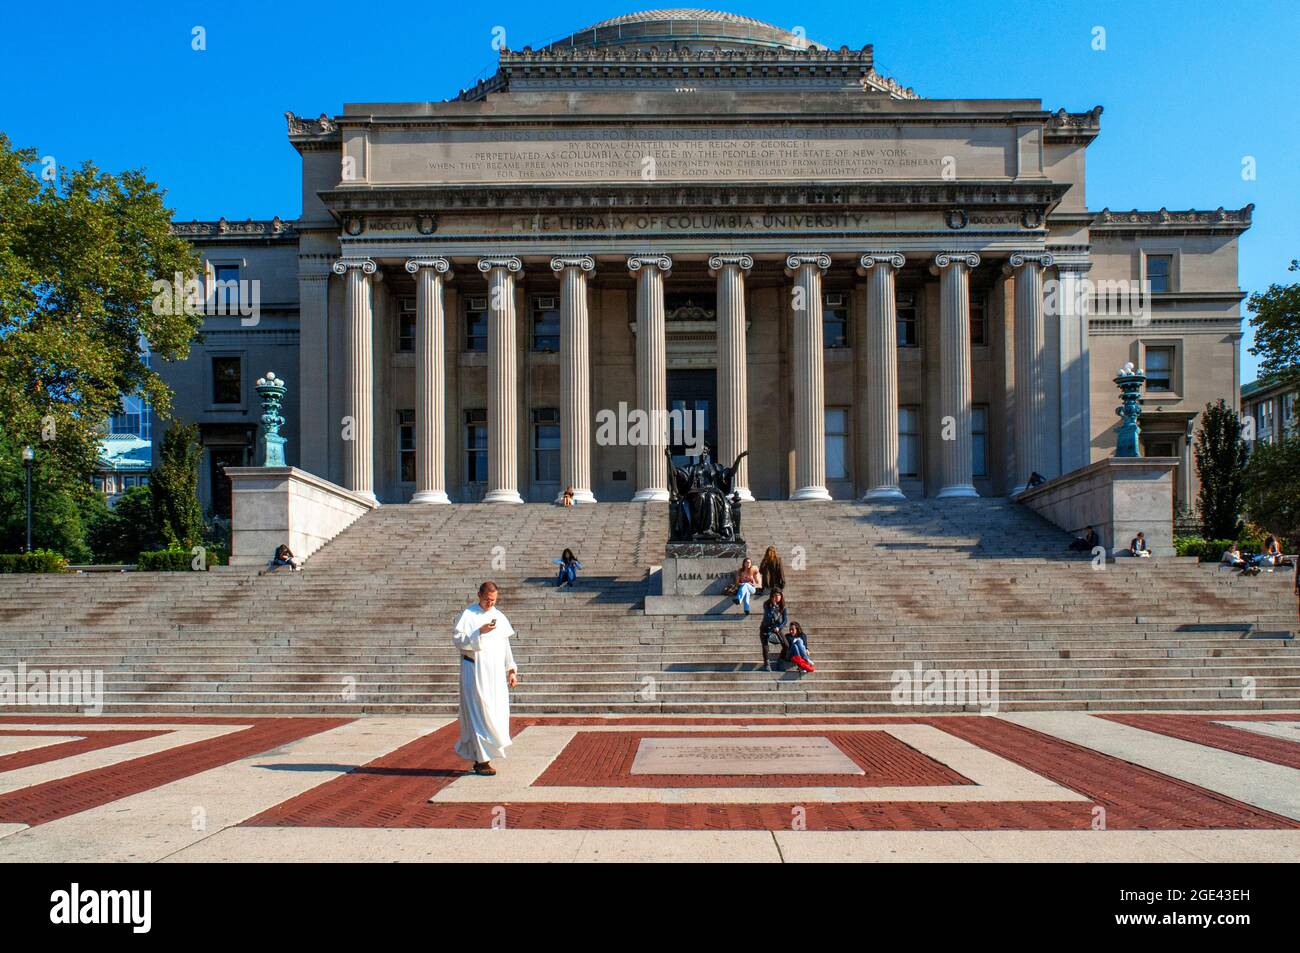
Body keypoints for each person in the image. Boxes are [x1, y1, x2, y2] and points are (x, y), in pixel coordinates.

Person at [452, 581, 519, 776]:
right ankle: (482, 760)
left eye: (493, 600)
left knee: (495, 711)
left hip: (495, 673)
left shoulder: (498, 616)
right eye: (487, 600)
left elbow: (505, 644)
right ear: (479, 595)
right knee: (479, 712)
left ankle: (487, 753)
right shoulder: (469, 615)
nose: (490, 604)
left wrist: (511, 669)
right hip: (474, 670)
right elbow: (457, 640)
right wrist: (478, 632)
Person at [759, 591, 788, 671]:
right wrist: (773, 606)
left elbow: (785, 620)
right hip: (765, 628)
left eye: (779, 595)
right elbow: (768, 616)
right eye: (775, 595)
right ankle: (766, 664)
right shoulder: (767, 605)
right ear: (772, 596)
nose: (777, 597)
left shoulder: (783, 607)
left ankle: (780, 661)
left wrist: (779, 627)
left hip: (777, 628)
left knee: (786, 645)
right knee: (765, 647)